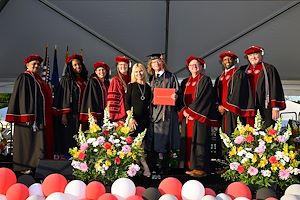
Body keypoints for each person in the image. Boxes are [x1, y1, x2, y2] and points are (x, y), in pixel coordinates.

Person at [6, 54, 54, 174]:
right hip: (28, 118)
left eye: (38, 64)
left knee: (36, 143)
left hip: (38, 118)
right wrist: (26, 115)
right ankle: (24, 167)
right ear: (27, 65)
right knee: (27, 142)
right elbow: (23, 98)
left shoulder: (38, 79)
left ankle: (36, 166)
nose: (37, 65)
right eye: (34, 63)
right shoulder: (25, 77)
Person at [178, 56, 219, 177]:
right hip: (188, 117)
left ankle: (200, 168)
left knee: (200, 141)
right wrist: (184, 110)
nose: (194, 67)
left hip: (199, 117)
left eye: (196, 65)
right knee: (189, 141)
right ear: (188, 67)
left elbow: (203, 99)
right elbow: (181, 98)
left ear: (201, 67)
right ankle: (190, 166)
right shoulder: (186, 81)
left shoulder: (204, 80)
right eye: (191, 65)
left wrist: (190, 111)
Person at [144, 53, 180, 176]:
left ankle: (165, 170)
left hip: (166, 114)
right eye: (154, 62)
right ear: (151, 65)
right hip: (153, 114)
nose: (156, 64)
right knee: (152, 141)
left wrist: (175, 96)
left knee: (164, 142)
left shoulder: (170, 77)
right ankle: (152, 168)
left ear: (162, 62)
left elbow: (177, 93)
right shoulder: (150, 78)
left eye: (158, 62)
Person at [240, 45, 286, 128]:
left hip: (265, 107)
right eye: (250, 55)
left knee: (266, 132)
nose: (253, 57)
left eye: (255, 54)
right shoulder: (243, 70)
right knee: (247, 133)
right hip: (247, 108)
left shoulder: (269, 69)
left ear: (261, 54)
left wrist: (275, 107)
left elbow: (275, 88)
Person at [53, 54, 88, 159]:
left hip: (81, 115)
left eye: (79, 64)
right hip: (70, 116)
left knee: (81, 138)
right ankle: (68, 159)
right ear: (70, 67)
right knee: (70, 138)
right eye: (75, 65)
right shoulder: (66, 80)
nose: (78, 67)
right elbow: (64, 97)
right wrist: (64, 114)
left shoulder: (83, 80)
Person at [214, 51, 255, 135]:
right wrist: (218, 106)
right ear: (222, 62)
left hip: (233, 111)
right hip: (221, 112)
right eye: (225, 59)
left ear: (234, 61)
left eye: (230, 59)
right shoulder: (219, 78)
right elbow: (215, 94)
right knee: (222, 137)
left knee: (233, 135)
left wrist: (225, 106)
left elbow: (238, 92)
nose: (227, 61)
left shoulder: (239, 74)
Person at [125, 63, 152, 177]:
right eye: (136, 72)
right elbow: (127, 104)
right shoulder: (131, 86)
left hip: (145, 120)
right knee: (136, 145)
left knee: (142, 146)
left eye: (140, 71)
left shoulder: (149, 87)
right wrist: (131, 118)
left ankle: (137, 169)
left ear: (144, 72)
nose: (139, 73)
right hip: (134, 121)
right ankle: (146, 168)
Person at [80, 61, 110, 127]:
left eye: (103, 70)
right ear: (96, 72)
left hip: (105, 113)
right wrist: (93, 114)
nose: (101, 72)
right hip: (96, 113)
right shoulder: (93, 81)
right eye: (99, 70)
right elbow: (90, 98)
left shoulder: (107, 83)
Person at [107, 55, 131, 122]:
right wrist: (117, 117)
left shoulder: (132, 79)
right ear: (117, 66)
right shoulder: (115, 80)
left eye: (125, 64)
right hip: (121, 116)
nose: (123, 66)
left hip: (132, 115)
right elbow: (113, 100)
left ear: (128, 66)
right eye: (120, 64)